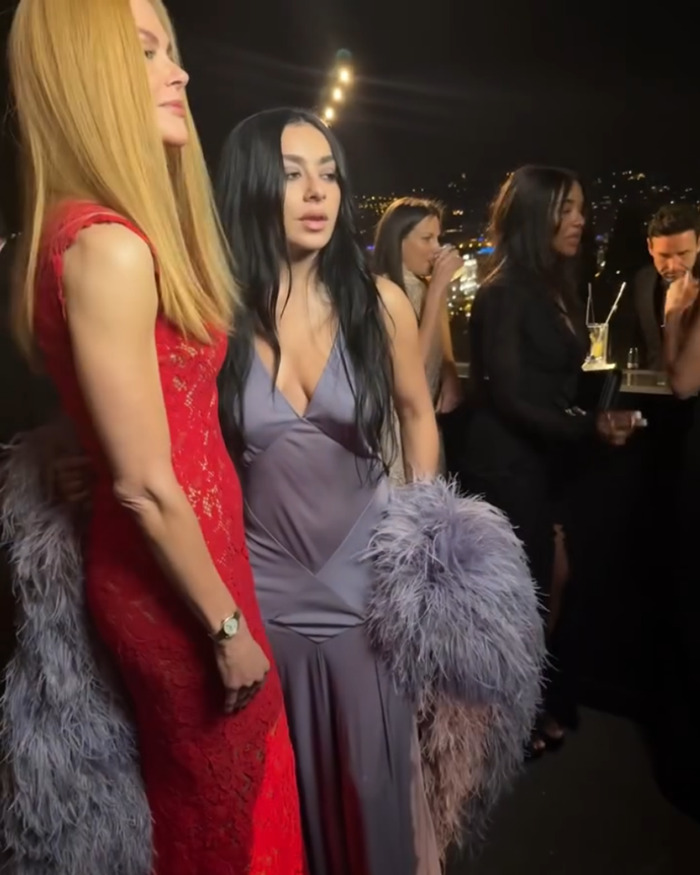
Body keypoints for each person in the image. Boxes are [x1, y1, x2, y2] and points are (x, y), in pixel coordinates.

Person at [1, 2, 305, 873]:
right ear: (84, 78)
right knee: (213, 818)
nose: (179, 73)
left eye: (171, 49)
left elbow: (108, 401)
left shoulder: (79, 231)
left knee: (221, 801)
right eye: (146, 53)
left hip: (188, 561)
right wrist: (224, 626)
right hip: (178, 588)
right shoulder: (110, 246)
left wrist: (72, 437)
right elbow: (142, 482)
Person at [460, 166, 644, 756]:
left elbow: (548, 383)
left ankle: (526, 706)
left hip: (544, 459)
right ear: (536, 216)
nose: (581, 221)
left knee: (553, 580)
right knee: (525, 593)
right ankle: (506, 719)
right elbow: (511, 395)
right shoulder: (503, 290)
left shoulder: (551, 284)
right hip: (507, 463)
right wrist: (588, 426)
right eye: (569, 210)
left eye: (581, 209)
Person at [372, 197, 463, 482]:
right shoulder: (388, 294)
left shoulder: (421, 286)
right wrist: (437, 288)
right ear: (398, 241)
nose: (437, 249)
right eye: (427, 239)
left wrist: (450, 371)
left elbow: (436, 335)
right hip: (399, 431)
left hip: (427, 421)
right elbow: (413, 369)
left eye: (439, 238)